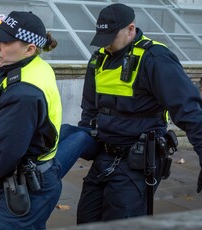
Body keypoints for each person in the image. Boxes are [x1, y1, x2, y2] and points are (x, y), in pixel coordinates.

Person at [76, 3, 202, 223]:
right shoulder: (99, 59)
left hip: (137, 161)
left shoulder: (155, 58)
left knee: (121, 222)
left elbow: (189, 110)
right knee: (86, 218)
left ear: (130, 29)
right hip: (104, 156)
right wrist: (87, 136)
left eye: (110, 38)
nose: (106, 45)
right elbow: (89, 107)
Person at [0, 11, 62, 229]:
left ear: (30, 48)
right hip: (34, 175)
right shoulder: (31, 66)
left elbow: (4, 151)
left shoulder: (23, 92)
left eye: (5, 41)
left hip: (28, 184)